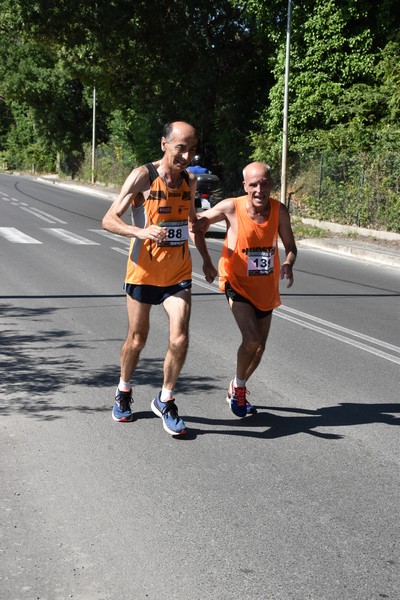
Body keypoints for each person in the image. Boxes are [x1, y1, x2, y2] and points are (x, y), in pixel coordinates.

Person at [102, 121, 217, 435]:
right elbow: (109, 219)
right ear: (164, 144)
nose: (187, 156)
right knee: (137, 340)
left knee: (179, 337)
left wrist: (206, 259)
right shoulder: (143, 177)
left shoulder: (189, 181)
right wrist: (141, 231)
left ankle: (166, 399)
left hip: (178, 273)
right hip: (143, 272)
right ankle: (123, 390)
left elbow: (192, 224)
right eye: (181, 147)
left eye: (192, 149)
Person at [191, 161, 297, 417]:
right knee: (251, 339)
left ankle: (236, 385)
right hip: (235, 282)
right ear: (245, 186)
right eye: (254, 185)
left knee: (259, 348)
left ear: (271, 185)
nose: (260, 190)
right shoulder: (231, 207)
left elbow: (291, 246)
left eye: (264, 184)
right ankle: (239, 389)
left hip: (266, 287)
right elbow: (197, 227)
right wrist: (206, 259)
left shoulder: (279, 210)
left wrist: (288, 263)